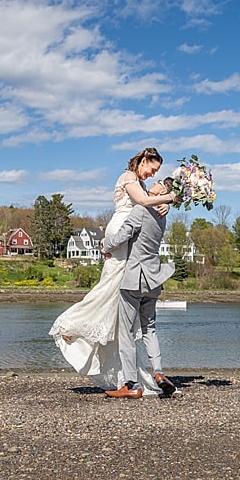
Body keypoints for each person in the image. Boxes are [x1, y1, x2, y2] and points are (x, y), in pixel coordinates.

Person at [49, 148, 179, 395]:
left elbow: (149, 204)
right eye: (152, 168)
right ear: (142, 160)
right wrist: (169, 199)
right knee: (109, 288)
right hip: (121, 235)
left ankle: (127, 377)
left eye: (157, 173)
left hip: (129, 241)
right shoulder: (128, 177)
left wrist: (166, 203)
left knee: (115, 297)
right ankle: (73, 325)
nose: (153, 174)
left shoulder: (141, 184)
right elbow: (142, 203)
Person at [99, 177, 179, 398]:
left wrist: (105, 245)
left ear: (163, 190)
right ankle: (159, 373)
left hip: (134, 278)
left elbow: (123, 235)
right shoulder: (162, 216)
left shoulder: (141, 210)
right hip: (154, 278)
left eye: (159, 182)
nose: (154, 182)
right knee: (149, 328)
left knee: (126, 331)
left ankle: (130, 384)